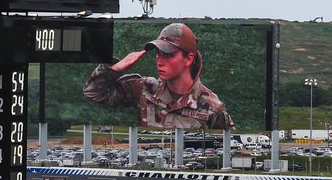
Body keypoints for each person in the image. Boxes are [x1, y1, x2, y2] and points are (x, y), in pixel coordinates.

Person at [84, 22, 233, 130]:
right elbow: (94, 92)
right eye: (158, 54)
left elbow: (229, 149)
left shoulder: (212, 107)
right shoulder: (146, 89)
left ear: (188, 59)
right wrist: (115, 68)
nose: (160, 62)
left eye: (168, 55)